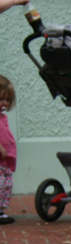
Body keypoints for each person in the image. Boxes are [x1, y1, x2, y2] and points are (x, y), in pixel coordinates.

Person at [0, 75, 18, 224]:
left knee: (6, 184)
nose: (4, 103)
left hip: (5, 159)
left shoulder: (2, 117)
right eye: (1, 100)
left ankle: (1, 210)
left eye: (7, 100)